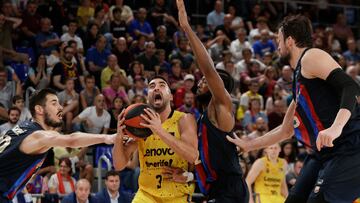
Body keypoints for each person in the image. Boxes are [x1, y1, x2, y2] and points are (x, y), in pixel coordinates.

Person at [227, 15, 360, 203]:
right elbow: (285, 130)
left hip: (350, 146)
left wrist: (336, 127)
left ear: (289, 41)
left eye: (278, 39)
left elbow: (351, 87)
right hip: (323, 151)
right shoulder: (299, 80)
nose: (276, 45)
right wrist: (248, 145)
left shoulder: (311, 56)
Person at [176, 1, 249, 202]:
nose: (200, 81)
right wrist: (189, 176)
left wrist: (187, 28)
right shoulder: (203, 118)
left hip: (229, 188)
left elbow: (207, 68)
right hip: (215, 190)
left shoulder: (222, 105)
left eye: (205, 81)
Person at [0, 88, 116, 202]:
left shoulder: (24, 127)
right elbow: (72, 140)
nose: (60, 107)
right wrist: (107, 137)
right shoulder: (38, 135)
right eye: (54, 103)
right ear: (39, 109)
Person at [113, 75, 198, 202]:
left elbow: (193, 156)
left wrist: (159, 130)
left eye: (162, 85)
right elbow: (119, 165)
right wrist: (119, 136)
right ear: (148, 98)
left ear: (170, 96)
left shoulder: (184, 119)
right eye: (152, 86)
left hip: (177, 196)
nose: (156, 88)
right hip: (146, 195)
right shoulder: (140, 125)